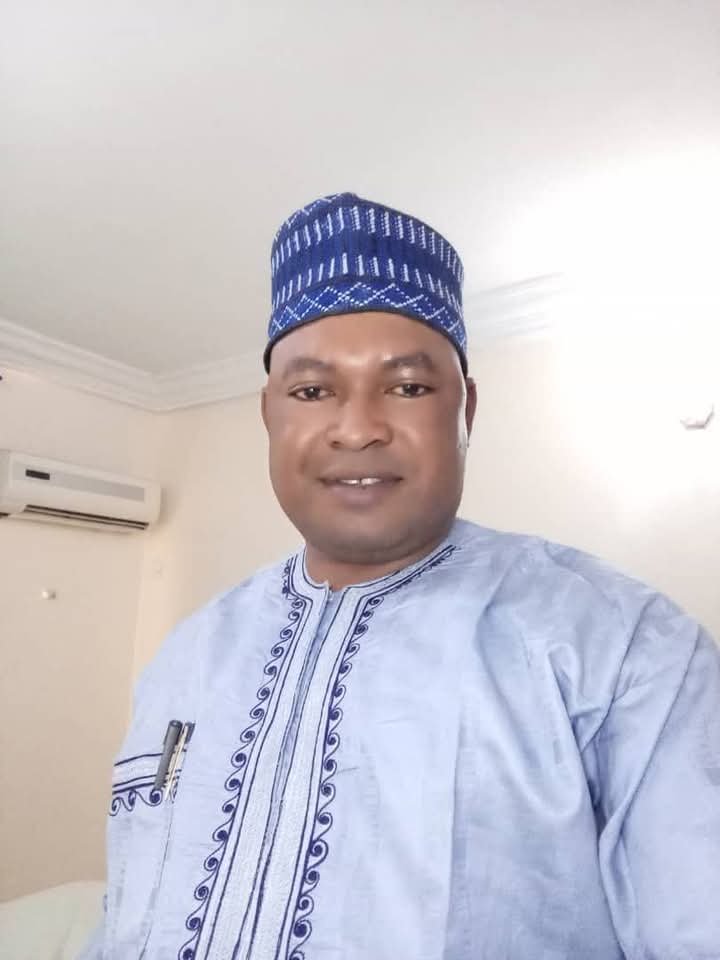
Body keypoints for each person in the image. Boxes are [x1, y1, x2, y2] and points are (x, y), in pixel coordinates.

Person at [81, 193, 720, 959]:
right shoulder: (188, 655)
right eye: (312, 391)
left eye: (409, 387)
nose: (357, 429)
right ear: (270, 415)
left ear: (466, 411)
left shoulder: (624, 650)